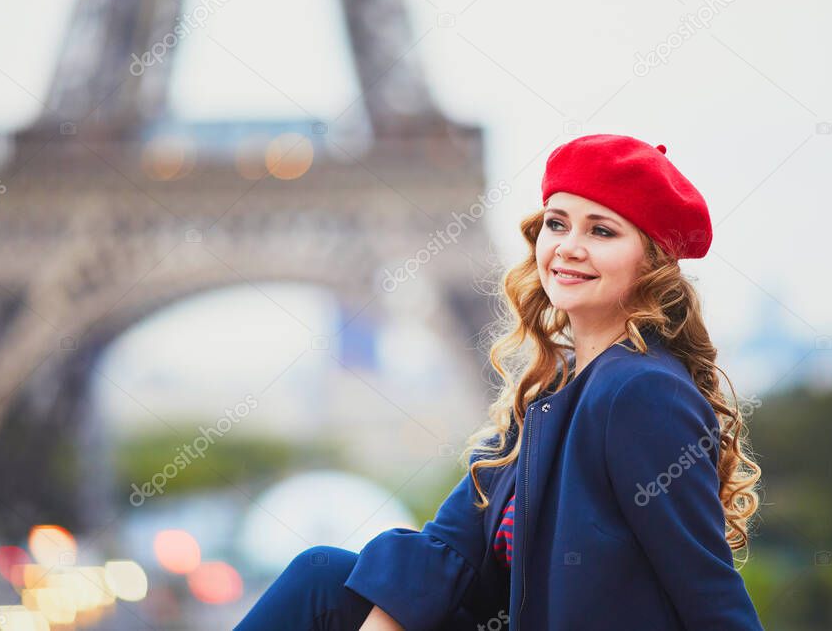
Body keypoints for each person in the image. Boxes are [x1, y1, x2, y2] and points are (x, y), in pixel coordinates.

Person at [235, 133, 765, 630]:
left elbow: (707, 591)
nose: (569, 247)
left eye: (602, 230)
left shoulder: (641, 391)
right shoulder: (550, 393)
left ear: (652, 262)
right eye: (558, 224)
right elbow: (449, 545)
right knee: (322, 576)